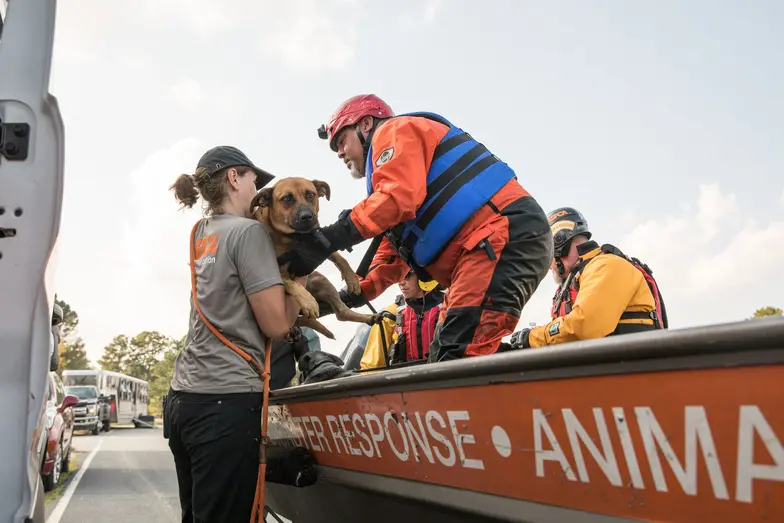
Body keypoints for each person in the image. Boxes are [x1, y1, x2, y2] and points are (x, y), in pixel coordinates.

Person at [283, 94, 553, 361]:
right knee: (447, 353)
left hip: (500, 235)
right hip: (488, 246)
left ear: (365, 125)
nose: (340, 152)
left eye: (342, 140)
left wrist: (327, 238)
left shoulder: (394, 131)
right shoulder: (400, 181)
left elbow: (397, 197)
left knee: (457, 356)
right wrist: (332, 302)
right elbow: (388, 263)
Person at [164, 146, 305, 523]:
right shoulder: (248, 232)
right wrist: (301, 272)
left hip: (183, 401)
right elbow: (277, 325)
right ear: (233, 178)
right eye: (253, 178)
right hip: (225, 403)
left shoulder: (200, 232)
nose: (257, 185)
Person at [509, 207, 668, 349]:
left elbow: (583, 327)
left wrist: (531, 337)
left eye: (546, 253)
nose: (548, 265)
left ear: (558, 244)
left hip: (630, 374)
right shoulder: (576, 280)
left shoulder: (606, 266)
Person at [389, 270, 445, 364]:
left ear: (424, 276)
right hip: (410, 376)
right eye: (399, 276)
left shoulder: (449, 307)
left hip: (443, 374)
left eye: (407, 276)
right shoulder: (397, 312)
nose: (401, 282)